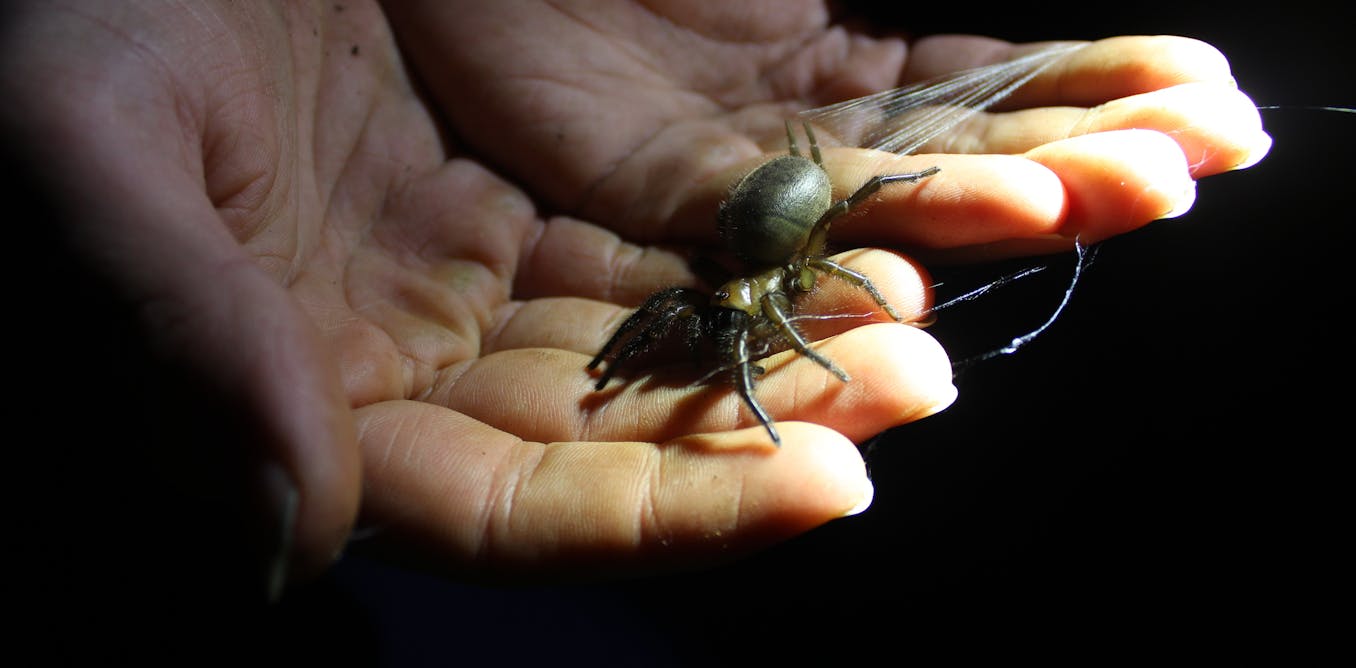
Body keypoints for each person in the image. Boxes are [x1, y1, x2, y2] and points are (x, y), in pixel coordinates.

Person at [0, 0, 1269, 619]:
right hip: (755, 219)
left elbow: (800, 273)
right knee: (729, 301)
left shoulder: (781, 263)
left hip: (770, 215)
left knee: (790, 284)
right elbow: (730, 292)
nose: (749, 331)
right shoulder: (724, 275)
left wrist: (794, 345)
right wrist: (634, 361)